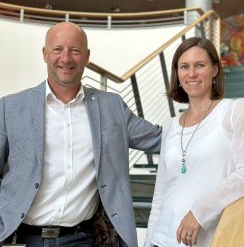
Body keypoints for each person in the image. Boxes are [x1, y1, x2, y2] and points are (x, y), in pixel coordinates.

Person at [0, 22, 162, 247]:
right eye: (57, 49)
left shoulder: (112, 107)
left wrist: (205, 112)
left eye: (75, 51)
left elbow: (159, 139)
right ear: (45, 54)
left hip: (80, 239)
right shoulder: (11, 107)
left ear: (86, 56)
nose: (66, 59)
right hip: (20, 238)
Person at [144, 37, 244, 247]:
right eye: (184, 67)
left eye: (200, 65)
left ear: (215, 70)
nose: (191, 73)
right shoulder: (170, 125)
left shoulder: (235, 110)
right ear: (178, 74)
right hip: (160, 239)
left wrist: (199, 211)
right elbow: (161, 194)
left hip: (204, 241)